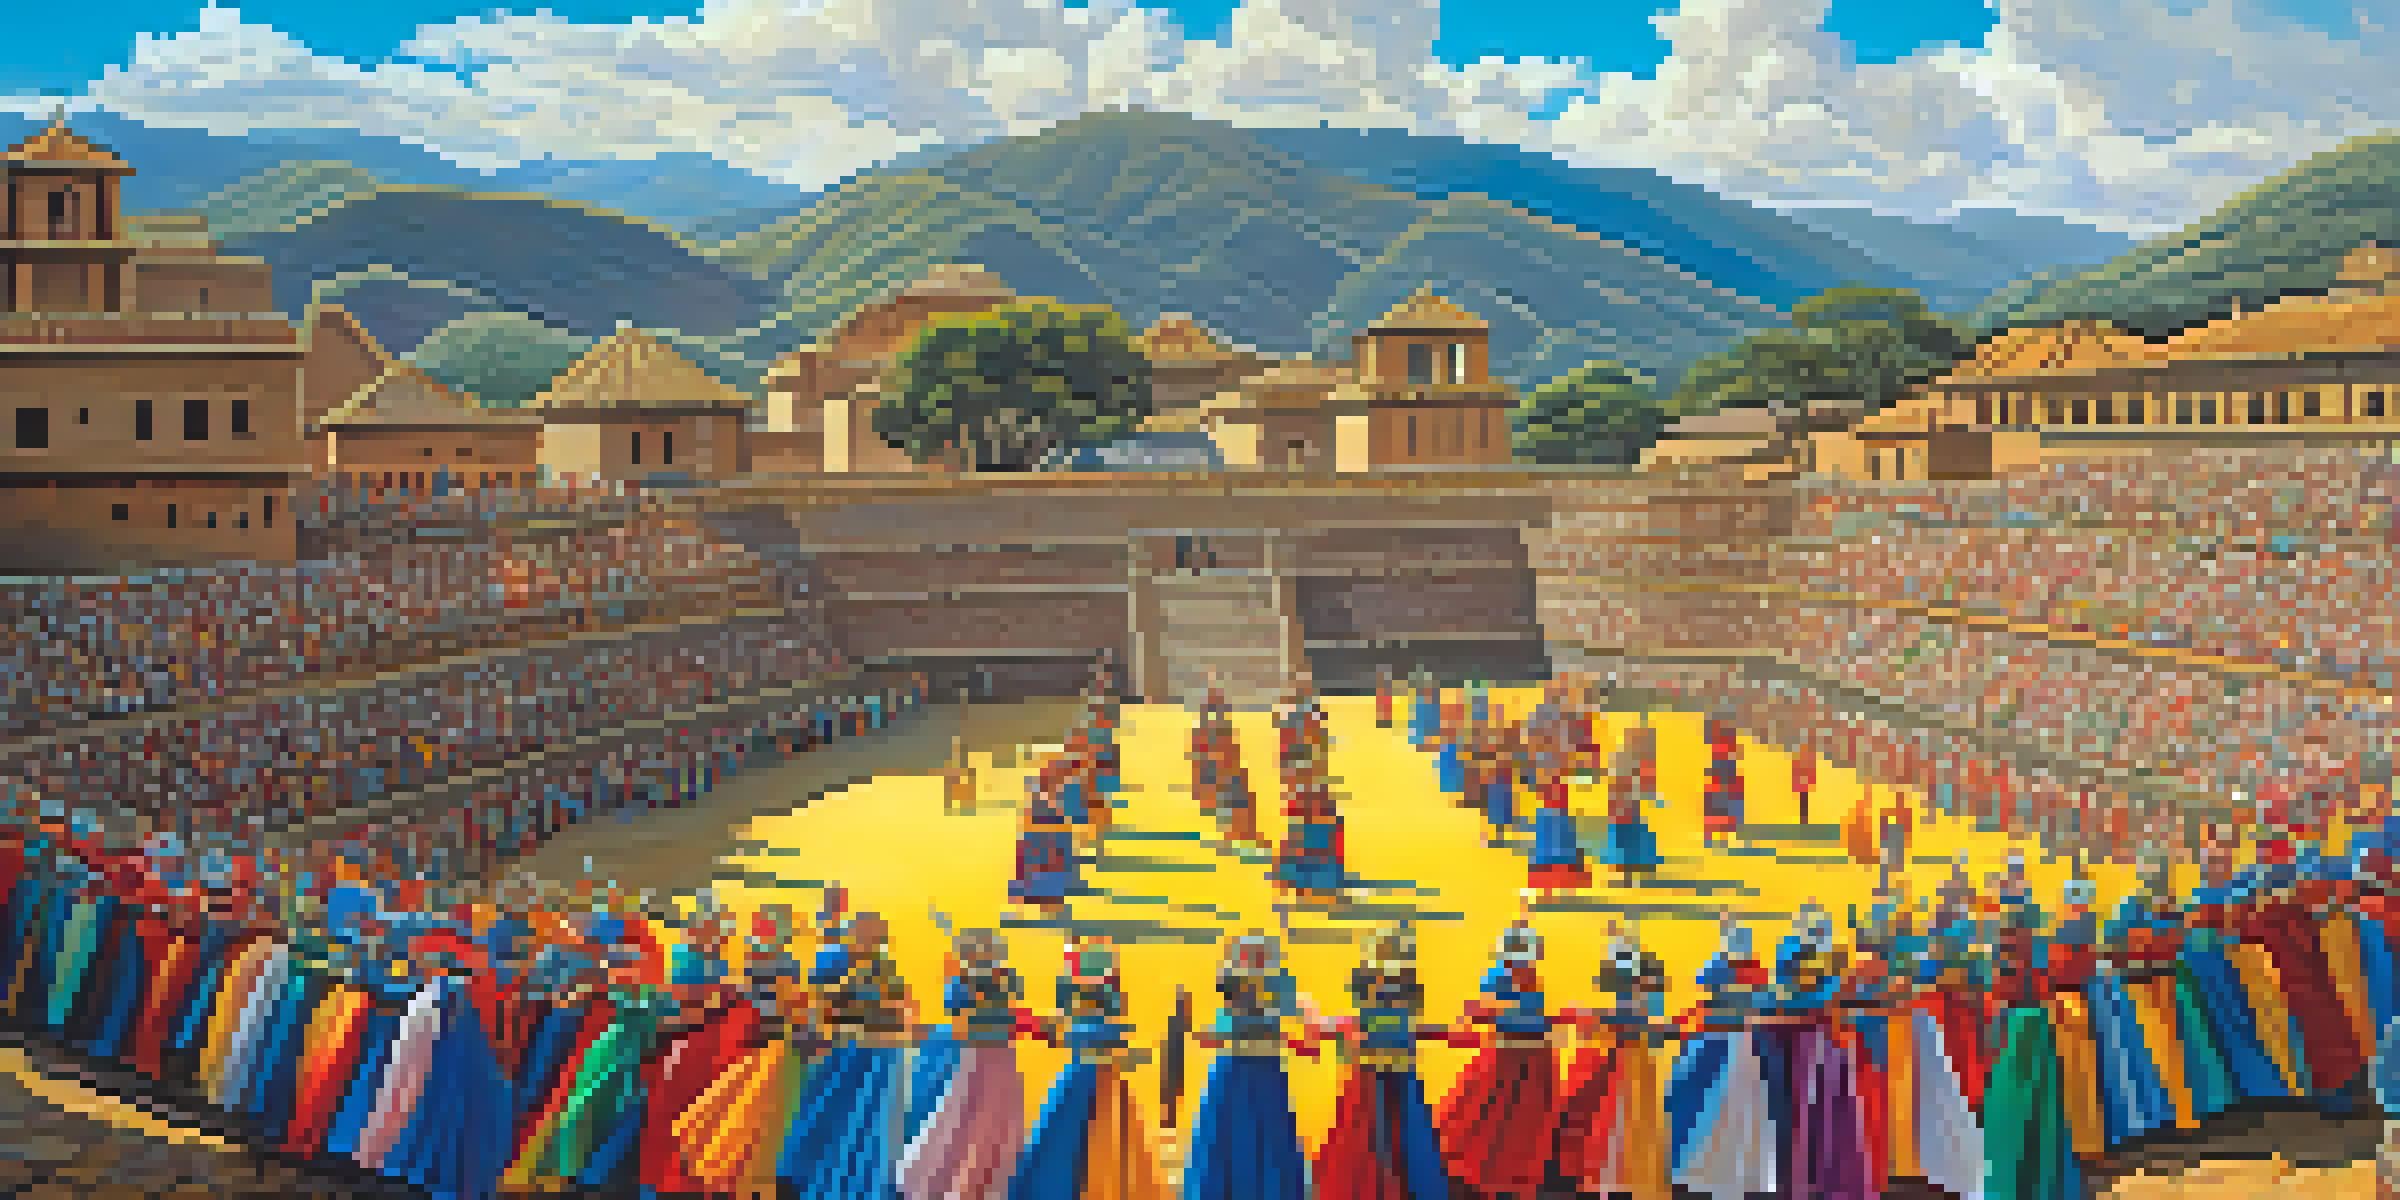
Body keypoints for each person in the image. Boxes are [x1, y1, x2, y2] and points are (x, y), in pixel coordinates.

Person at [1011, 935, 1166, 1199]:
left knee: (1094, 1144)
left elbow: (1103, 1034)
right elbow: (1067, 1030)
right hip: (1083, 1077)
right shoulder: (1080, 1001)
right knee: (1061, 1140)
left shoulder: (1105, 1006)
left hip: (1097, 1080)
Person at [777, 908, 918, 1197]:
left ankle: (845, 1178)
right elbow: (819, 1001)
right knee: (825, 1112)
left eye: (873, 935)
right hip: (843, 1049)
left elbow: (901, 1007)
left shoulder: (881, 965)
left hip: (874, 1053)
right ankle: (804, 1174)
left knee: (862, 1120)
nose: (868, 939)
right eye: (864, 932)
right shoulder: (834, 958)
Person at [1308, 922, 1452, 1200]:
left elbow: (1401, 1025)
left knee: (1398, 1134)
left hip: (1391, 1069)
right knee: (1374, 1135)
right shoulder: (1381, 986)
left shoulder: (1397, 987)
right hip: (1376, 1070)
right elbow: (1371, 1025)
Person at [901, 926, 1030, 1200]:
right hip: (981, 1058)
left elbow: (999, 1016)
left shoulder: (1001, 979)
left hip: (996, 1058)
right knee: (963, 1122)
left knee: (989, 1125)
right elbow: (961, 1019)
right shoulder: (965, 982)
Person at [1437, 919, 1560, 1200]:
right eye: (1516, 956)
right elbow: (1481, 1010)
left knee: (1521, 1122)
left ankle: (1509, 1176)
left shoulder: (1532, 981)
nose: (1521, 964)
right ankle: (1478, 1173)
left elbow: (1532, 1016)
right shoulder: (1498, 977)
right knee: (1484, 1113)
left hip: (1532, 1057)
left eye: (1526, 957)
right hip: (1506, 1054)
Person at [1184, 932, 1311, 1200]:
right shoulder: (1234, 988)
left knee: (1267, 1140)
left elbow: (1299, 1016)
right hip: (1236, 1072)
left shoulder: (1279, 987)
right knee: (1229, 1141)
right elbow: (1222, 1028)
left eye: (1259, 955)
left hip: (1261, 1073)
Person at [1555, 922, 1670, 1199]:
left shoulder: (1642, 997)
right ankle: (1610, 1179)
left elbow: (1629, 1020)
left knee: (1623, 1120)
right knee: (1613, 1120)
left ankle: (1617, 1180)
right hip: (1623, 1060)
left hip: (1630, 1063)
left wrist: (1589, 1016)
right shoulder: (1636, 996)